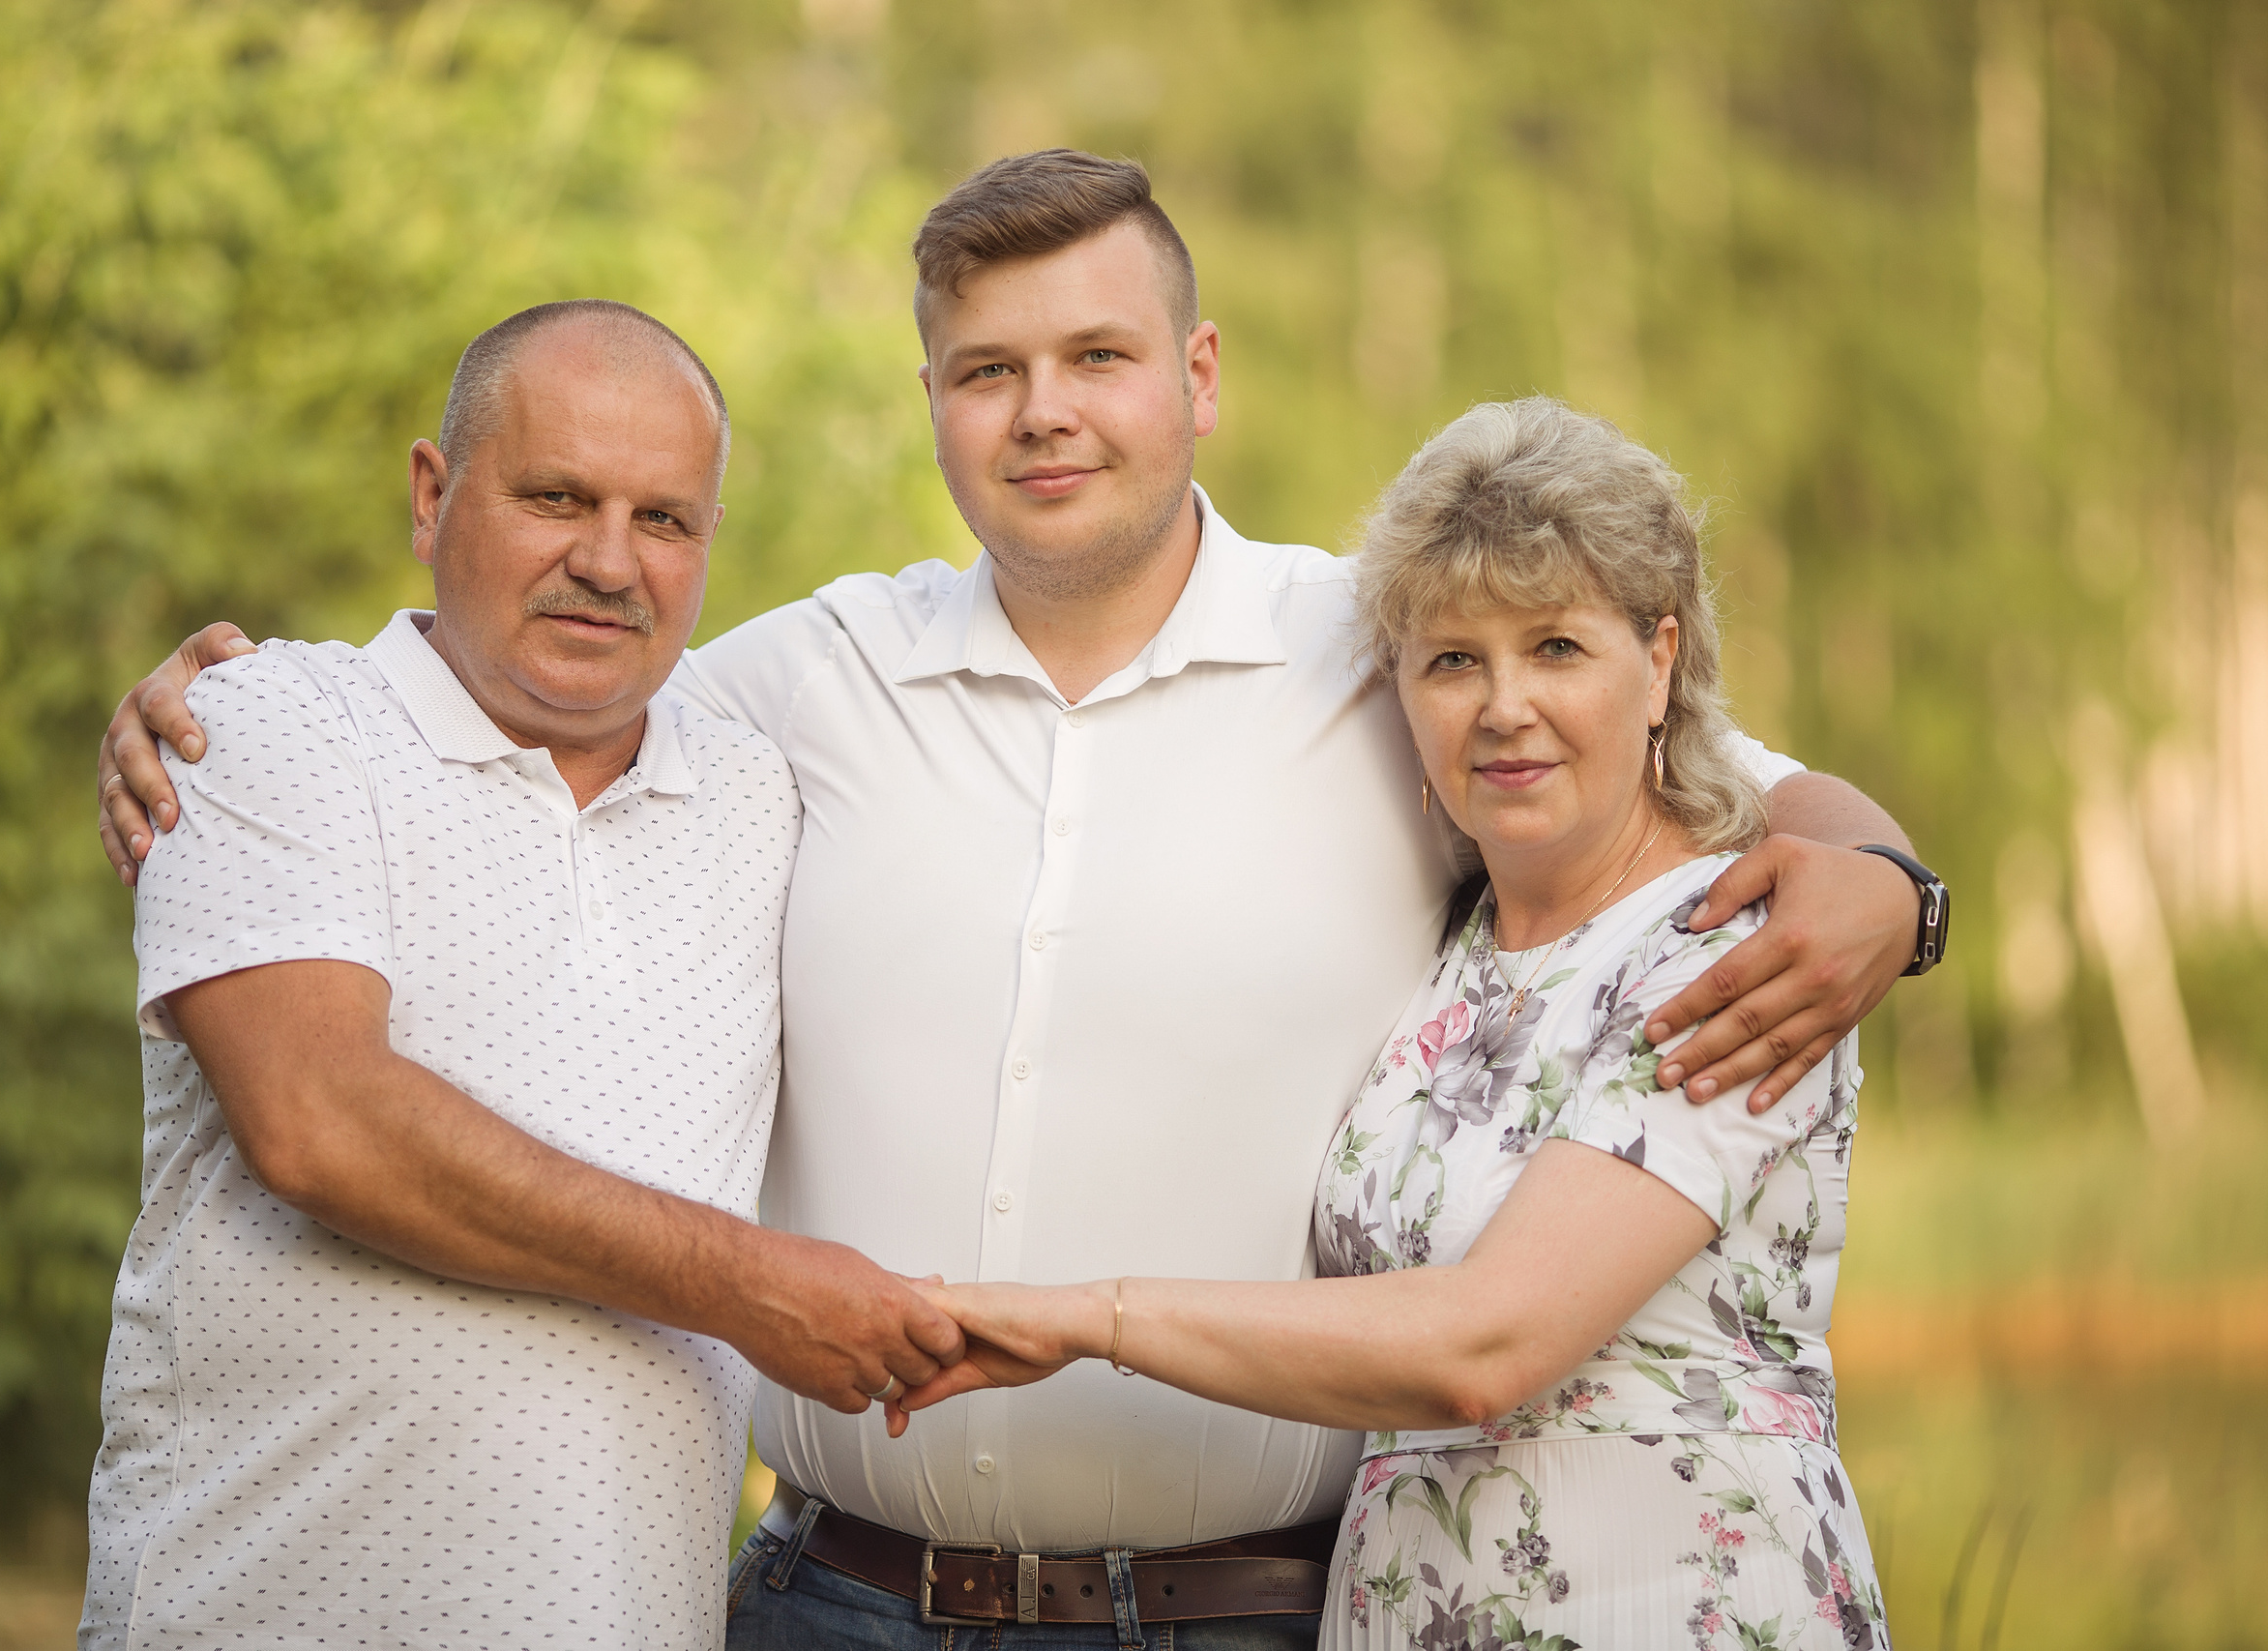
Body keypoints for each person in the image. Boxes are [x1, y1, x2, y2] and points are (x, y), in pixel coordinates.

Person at [94, 155, 1940, 1647]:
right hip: (836, 1603)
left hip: (1249, 1613)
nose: (1044, 413)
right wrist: (237, 713)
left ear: (1196, 377)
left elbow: (1703, 783)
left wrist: (1885, 879)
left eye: (1097, 357)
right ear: (934, 407)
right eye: (989, 371)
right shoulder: (795, 684)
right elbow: (538, 669)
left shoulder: (1400, 656)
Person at [894, 398, 1890, 1650]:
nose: (1504, 705)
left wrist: (1087, 1316)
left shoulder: (1733, 946)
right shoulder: (1449, 953)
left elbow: (1489, 1342)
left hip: (1667, 1606)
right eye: (1453, 660)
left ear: (1660, 663)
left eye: (1557, 648)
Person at [78, 300, 963, 1651]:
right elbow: (320, 1126)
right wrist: (752, 1288)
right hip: (261, 1615)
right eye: (556, 497)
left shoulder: (763, 796)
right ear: (432, 496)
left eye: (663, 520)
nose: (608, 562)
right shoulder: (270, 728)